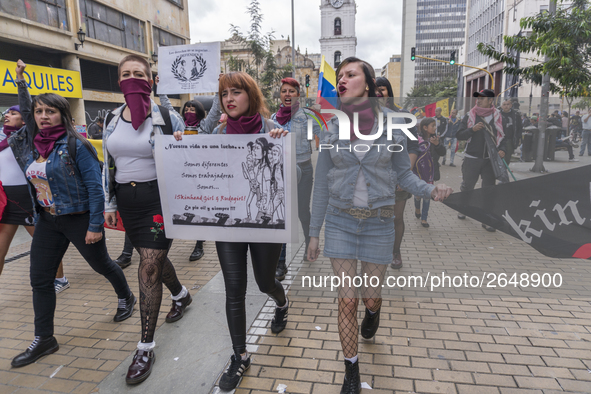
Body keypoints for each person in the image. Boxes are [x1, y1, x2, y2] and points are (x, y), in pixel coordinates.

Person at [307, 57, 452, 394]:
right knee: (347, 300)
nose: (342, 80)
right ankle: (351, 371)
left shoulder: (393, 127)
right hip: (341, 222)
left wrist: (431, 189)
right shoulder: (331, 128)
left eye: (350, 74)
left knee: (370, 297)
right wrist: (314, 232)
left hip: (380, 223)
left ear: (369, 86)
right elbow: (321, 185)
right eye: (340, 75)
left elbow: (404, 174)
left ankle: (373, 312)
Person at [10, 60, 135, 368]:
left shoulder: (76, 144)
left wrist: (95, 225)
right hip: (48, 221)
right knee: (39, 279)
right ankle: (45, 338)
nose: (42, 116)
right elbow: (24, 112)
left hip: (79, 218)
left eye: (49, 111)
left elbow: (96, 188)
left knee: (102, 264)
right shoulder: (33, 145)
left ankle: (126, 296)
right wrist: (21, 82)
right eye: (38, 112)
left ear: (62, 114)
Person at [102, 54, 191, 384]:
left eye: (139, 73)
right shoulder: (111, 119)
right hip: (128, 200)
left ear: (151, 80)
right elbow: (107, 165)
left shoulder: (167, 117)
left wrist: (184, 144)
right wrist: (109, 204)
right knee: (150, 259)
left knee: (149, 266)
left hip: (159, 199)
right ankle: (181, 295)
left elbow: (193, 154)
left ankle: (145, 346)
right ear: (119, 80)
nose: (132, 78)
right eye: (126, 74)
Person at [212, 72, 289, 391]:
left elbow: (291, 178)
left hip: (263, 221)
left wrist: (283, 150)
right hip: (229, 222)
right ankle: (240, 355)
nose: (229, 98)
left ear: (251, 96)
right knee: (234, 289)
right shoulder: (216, 132)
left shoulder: (272, 130)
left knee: (264, 281)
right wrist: (179, 148)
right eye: (224, 94)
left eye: (236, 92)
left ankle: (282, 303)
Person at [0, 105, 71, 292]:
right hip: (6, 201)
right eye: (6, 113)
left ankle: (60, 279)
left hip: (28, 198)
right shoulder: (1, 139)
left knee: (46, 244)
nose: (7, 115)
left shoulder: (30, 138)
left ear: (24, 119)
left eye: (13, 113)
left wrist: (21, 82)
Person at [270, 77, 321, 280]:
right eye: (284, 91)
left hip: (304, 169)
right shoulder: (273, 118)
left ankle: (310, 248)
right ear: (280, 95)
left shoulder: (307, 116)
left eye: (292, 91)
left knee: (302, 212)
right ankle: (280, 262)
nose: (288, 94)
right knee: (282, 215)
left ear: (298, 94)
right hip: (281, 171)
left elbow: (322, 136)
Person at [375, 77, 420, 269]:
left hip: (398, 177)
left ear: (389, 92)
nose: (379, 94)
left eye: (382, 90)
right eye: (375, 90)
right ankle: (375, 253)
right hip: (375, 179)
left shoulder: (403, 115)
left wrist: (404, 175)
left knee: (396, 218)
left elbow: (413, 147)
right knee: (375, 219)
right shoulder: (365, 116)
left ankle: (395, 251)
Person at [456, 89, 508, 232]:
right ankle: (464, 208)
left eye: (482, 98)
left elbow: (504, 137)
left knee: (489, 190)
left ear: (490, 101)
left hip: (490, 160)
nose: (478, 100)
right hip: (472, 158)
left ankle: (486, 219)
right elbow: (459, 134)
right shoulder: (469, 116)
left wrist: (503, 149)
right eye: (478, 98)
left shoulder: (498, 116)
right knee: (467, 186)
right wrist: (472, 130)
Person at [413, 118, 446, 228]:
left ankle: (424, 218)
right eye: (433, 125)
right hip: (418, 171)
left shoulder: (435, 139)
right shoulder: (417, 139)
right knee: (418, 194)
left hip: (430, 173)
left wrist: (437, 144)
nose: (435, 128)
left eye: (435, 125)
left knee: (427, 195)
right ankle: (417, 208)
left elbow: (443, 152)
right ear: (425, 127)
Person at [499, 99, 522, 164]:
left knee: (508, 156)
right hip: (499, 139)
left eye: (508, 104)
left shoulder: (516, 115)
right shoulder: (497, 114)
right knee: (499, 157)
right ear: (501, 106)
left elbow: (519, 127)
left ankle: (505, 171)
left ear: (511, 105)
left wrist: (518, 137)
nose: (506, 106)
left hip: (510, 140)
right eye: (504, 104)